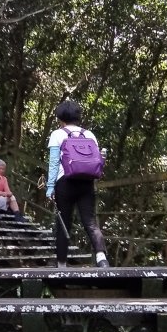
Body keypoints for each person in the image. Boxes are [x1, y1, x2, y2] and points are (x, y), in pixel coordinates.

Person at [46, 100, 109, 268]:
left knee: (63, 223)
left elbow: (53, 164)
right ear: (77, 116)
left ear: (60, 117)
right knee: (90, 222)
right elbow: (97, 160)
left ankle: (61, 265)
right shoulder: (89, 135)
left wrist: (50, 187)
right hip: (86, 182)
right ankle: (101, 258)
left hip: (64, 183)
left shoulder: (57, 134)